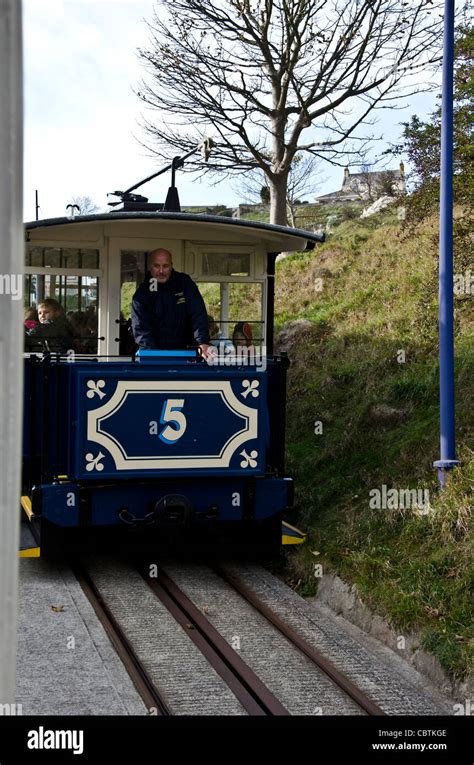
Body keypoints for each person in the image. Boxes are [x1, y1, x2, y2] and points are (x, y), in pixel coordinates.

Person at [131, 248, 214, 359]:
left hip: (187, 353)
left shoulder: (185, 283)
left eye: (165, 266)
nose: (161, 271)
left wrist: (202, 342)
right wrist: (153, 354)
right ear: (150, 267)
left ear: (171, 266)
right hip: (154, 355)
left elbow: (198, 314)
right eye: (157, 266)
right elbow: (140, 328)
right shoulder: (142, 294)